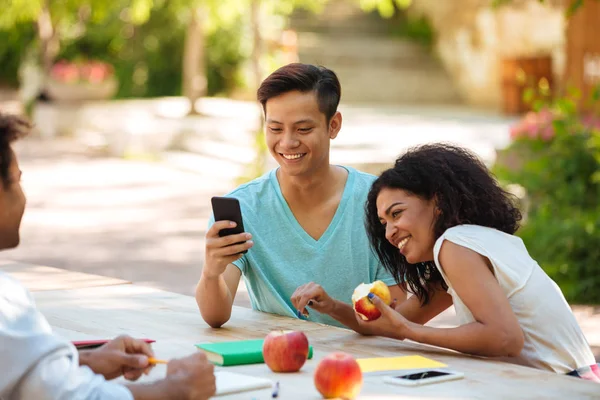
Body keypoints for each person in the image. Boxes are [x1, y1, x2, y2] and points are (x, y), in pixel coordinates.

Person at [0, 113, 217, 399]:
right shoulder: (5, 301)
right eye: (16, 180)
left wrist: (84, 361)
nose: (23, 196)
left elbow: (17, 371)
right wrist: (176, 389)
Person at [357, 142, 598, 380]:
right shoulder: (477, 240)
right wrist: (330, 306)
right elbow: (394, 325)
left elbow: (505, 338)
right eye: (383, 223)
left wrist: (412, 332)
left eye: (396, 213)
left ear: (438, 201)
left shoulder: (454, 245)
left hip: (563, 386)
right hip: (578, 380)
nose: (389, 233)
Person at [196, 63, 405, 330]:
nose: (287, 142)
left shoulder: (378, 202)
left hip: (364, 362)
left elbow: (397, 311)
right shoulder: (244, 207)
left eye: (303, 129)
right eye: (275, 128)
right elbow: (216, 316)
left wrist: (333, 308)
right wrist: (211, 272)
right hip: (276, 362)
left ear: (333, 125)